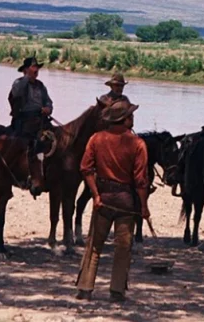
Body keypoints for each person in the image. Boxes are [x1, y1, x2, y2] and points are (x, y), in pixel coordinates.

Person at [76, 98, 149, 302]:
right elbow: (141, 181)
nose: (133, 117)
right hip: (126, 201)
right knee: (123, 248)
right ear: (124, 120)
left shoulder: (96, 139)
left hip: (104, 199)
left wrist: (95, 194)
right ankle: (117, 291)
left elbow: (86, 168)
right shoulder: (138, 144)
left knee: (94, 245)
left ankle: (85, 288)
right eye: (130, 115)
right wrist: (144, 206)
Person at [8, 56, 54, 137]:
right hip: (24, 120)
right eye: (33, 67)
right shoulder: (18, 83)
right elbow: (17, 93)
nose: (36, 70)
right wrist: (27, 76)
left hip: (41, 119)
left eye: (37, 67)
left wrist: (48, 108)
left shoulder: (40, 85)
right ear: (26, 70)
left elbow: (48, 101)